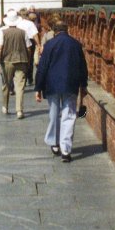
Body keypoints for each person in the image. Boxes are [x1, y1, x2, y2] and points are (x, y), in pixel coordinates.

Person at [34, 20, 88, 163]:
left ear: (54, 31)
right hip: (71, 84)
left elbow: (42, 67)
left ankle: (54, 142)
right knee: (69, 116)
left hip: (52, 84)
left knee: (53, 114)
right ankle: (66, 150)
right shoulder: (76, 44)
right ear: (67, 29)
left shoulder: (49, 45)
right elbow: (83, 67)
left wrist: (38, 88)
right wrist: (84, 85)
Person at [0, 10, 31, 119]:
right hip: (21, 60)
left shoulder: (2, 32)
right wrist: (28, 59)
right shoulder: (23, 32)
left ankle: (5, 106)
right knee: (20, 86)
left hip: (7, 61)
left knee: (6, 84)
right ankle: (19, 110)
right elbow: (28, 48)